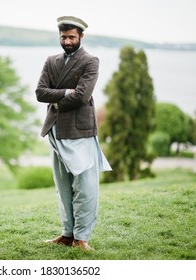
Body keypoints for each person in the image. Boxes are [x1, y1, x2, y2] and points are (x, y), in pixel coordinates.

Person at [35, 16, 111, 251]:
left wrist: (57, 98)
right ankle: (67, 234)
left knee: (85, 187)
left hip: (81, 131)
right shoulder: (51, 61)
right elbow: (39, 93)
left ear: (81, 37)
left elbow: (82, 95)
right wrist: (67, 91)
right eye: (63, 37)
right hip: (56, 130)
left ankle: (82, 237)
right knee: (63, 186)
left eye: (71, 37)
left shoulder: (90, 61)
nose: (67, 41)